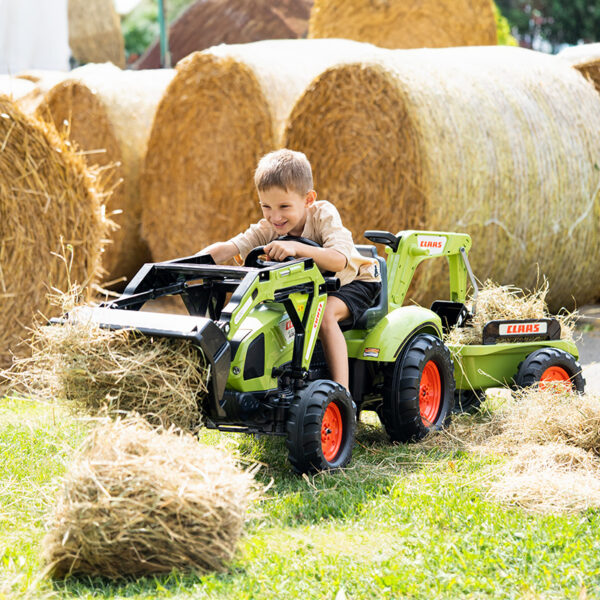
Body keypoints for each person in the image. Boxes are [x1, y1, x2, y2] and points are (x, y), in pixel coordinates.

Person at [199, 149, 381, 391]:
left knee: (324, 315)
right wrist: (192, 261)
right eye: (266, 206)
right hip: (309, 287)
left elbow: (338, 261)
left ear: (308, 199)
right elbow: (231, 247)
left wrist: (296, 247)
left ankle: (342, 393)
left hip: (354, 281)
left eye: (284, 206)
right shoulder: (269, 227)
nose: (275, 216)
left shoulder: (323, 214)